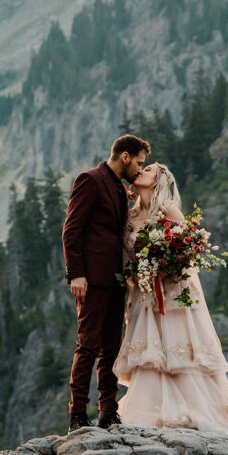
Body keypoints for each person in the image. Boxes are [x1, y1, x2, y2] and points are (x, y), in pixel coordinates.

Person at [112, 163, 228, 441]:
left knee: (175, 350)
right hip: (144, 294)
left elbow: (188, 253)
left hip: (172, 293)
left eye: (148, 169)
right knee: (150, 351)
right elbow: (126, 258)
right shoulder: (129, 216)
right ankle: (150, 408)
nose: (140, 171)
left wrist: (167, 264)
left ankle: (192, 407)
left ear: (160, 179)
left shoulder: (169, 210)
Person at [62, 134, 150, 433]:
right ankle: (76, 415)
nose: (140, 169)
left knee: (111, 348)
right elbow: (72, 230)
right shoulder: (89, 179)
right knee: (87, 345)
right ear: (124, 156)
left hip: (116, 279)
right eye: (138, 162)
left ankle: (108, 412)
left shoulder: (121, 188)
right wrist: (76, 273)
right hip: (91, 279)